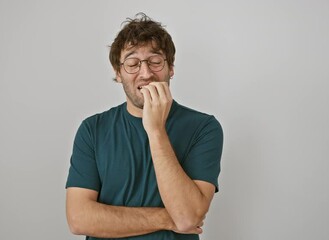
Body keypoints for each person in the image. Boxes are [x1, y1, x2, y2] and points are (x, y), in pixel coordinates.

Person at [65, 13, 223, 240]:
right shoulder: (93, 129)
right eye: (132, 63)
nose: (146, 73)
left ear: (171, 68)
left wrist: (156, 130)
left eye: (156, 61)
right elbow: (79, 219)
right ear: (118, 74)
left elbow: (188, 218)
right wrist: (167, 219)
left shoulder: (204, 128)